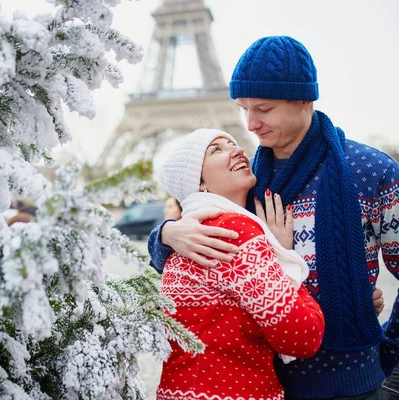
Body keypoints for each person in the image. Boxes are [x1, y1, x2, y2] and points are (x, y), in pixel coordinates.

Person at [148, 35, 399, 399]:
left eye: (263, 110)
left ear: (303, 100)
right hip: (261, 381)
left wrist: (391, 362)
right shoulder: (243, 179)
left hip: (355, 383)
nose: (250, 124)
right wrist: (167, 234)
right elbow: (184, 266)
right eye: (243, 109)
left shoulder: (370, 171)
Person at [156, 128, 325, 400]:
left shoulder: (187, 236)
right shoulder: (234, 232)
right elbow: (303, 336)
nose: (236, 150)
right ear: (198, 183)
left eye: (233, 143)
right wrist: (281, 255)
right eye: (216, 150)